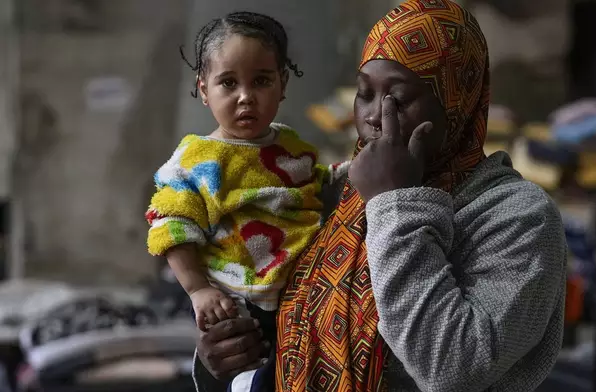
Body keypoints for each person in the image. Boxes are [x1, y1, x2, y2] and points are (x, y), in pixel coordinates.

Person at [192, 1, 567, 391]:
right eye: (364, 93)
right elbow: (279, 326)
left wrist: (395, 203)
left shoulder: (517, 217)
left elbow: (453, 369)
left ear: (457, 101)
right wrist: (220, 360)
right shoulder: (335, 194)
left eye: (399, 99)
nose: (374, 116)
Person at [145, 11, 348, 392]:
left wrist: (352, 171)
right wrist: (198, 290)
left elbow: (316, 186)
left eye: (261, 81)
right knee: (251, 379)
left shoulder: (290, 145)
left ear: (282, 84)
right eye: (228, 83)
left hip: (303, 294)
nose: (245, 96)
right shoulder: (196, 161)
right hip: (241, 301)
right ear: (204, 89)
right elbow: (171, 223)